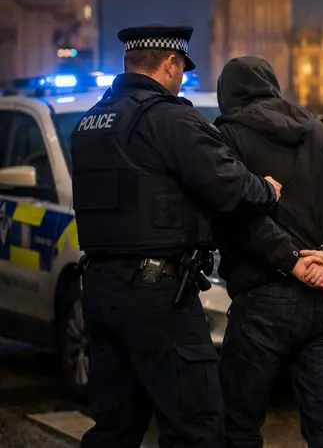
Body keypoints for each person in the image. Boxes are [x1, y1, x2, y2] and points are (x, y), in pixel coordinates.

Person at [71, 25, 282, 448]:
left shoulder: (90, 121)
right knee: (196, 424)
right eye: (181, 68)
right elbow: (227, 183)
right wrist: (267, 189)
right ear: (170, 63)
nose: (181, 77)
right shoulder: (168, 118)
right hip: (156, 295)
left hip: (99, 286)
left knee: (115, 426)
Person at [213, 56, 323, 448]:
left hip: (262, 296)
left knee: (238, 420)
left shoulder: (227, 138)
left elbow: (235, 212)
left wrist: (292, 260)